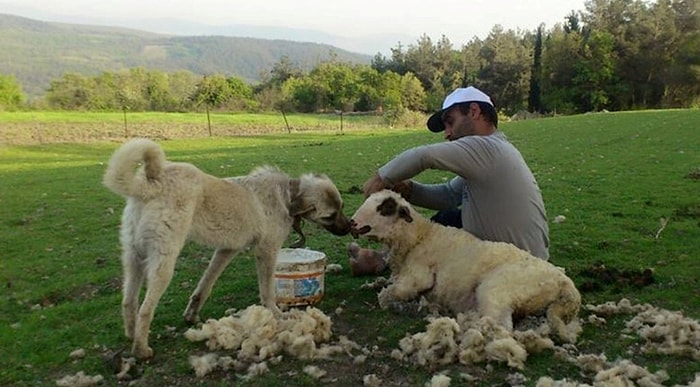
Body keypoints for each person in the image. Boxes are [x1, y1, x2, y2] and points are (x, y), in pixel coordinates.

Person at [361, 86, 550, 260]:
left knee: (436, 236)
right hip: (518, 259)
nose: (447, 133)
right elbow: (449, 196)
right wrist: (409, 190)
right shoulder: (492, 151)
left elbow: (425, 156)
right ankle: (386, 259)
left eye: (450, 122)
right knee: (445, 219)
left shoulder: (487, 148)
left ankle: (384, 261)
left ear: (474, 112)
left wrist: (381, 178)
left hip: (517, 268)